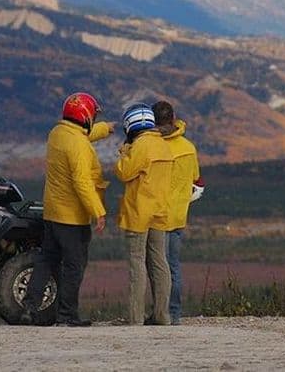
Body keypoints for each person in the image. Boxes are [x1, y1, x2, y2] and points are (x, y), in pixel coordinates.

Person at [24, 92, 112, 327]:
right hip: (72, 218)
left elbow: (80, 136)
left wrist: (105, 129)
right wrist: (98, 211)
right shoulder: (79, 146)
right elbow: (82, 182)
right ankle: (67, 315)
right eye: (92, 115)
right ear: (85, 116)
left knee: (46, 260)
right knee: (74, 266)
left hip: (52, 213)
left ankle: (29, 305)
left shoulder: (57, 134)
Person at [114, 103, 174, 325]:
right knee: (160, 262)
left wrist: (124, 151)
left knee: (137, 263)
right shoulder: (163, 145)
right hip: (160, 211)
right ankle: (162, 315)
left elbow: (123, 172)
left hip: (139, 213)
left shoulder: (141, 146)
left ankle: (135, 317)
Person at [152, 101, 203, 325]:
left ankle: (159, 313)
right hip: (178, 214)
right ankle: (174, 314)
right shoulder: (188, 147)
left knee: (156, 266)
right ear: (173, 119)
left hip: (156, 214)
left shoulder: (151, 146)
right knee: (173, 266)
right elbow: (195, 179)